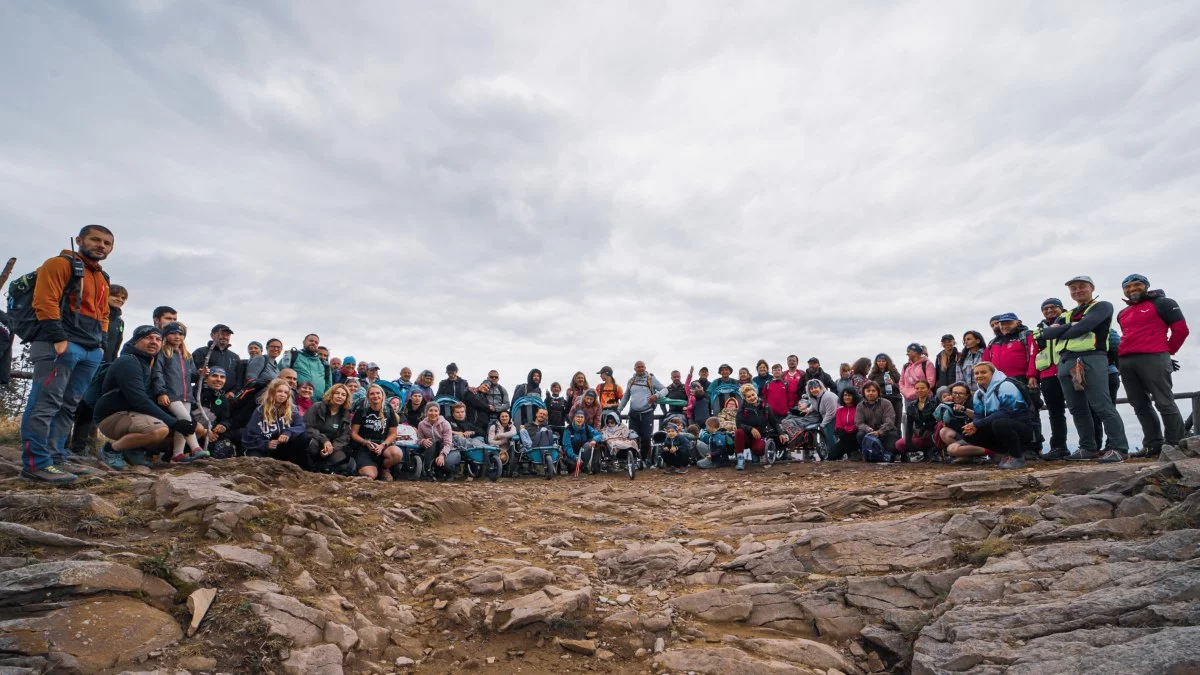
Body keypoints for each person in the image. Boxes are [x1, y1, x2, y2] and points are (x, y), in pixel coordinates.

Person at [19, 225, 114, 483]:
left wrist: (101, 344)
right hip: (58, 344)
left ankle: (56, 457)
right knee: (45, 403)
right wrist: (58, 338)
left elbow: (104, 314)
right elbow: (44, 300)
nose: (101, 246)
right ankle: (36, 463)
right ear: (80, 240)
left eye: (107, 243)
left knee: (68, 405)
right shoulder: (60, 264)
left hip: (89, 349)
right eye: (96, 239)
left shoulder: (102, 278)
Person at [1036, 275, 1128, 463]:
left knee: (1101, 404)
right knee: (1076, 407)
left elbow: (1085, 327)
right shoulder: (1067, 315)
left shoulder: (1102, 306)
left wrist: (1065, 329)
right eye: (1073, 288)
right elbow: (1047, 334)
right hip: (1065, 360)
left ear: (1092, 287)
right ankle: (1087, 447)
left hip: (1091, 357)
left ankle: (1119, 447)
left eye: (1082, 287)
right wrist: (1072, 326)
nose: (1077, 291)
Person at [93, 326, 185, 472]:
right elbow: (139, 399)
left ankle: (133, 449)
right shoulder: (128, 362)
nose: (154, 342)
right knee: (159, 430)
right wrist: (173, 422)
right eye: (148, 338)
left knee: (194, 429)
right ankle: (111, 449)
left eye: (158, 339)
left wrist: (183, 422)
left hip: (136, 415)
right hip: (112, 416)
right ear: (136, 341)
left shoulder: (149, 363)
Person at [1117, 274, 1190, 457]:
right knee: (1139, 404)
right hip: (1126, 360)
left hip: (1153, 356)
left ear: (1146, 286)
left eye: (1137, 285)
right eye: (1128, 287)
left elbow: (1181, 330)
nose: (1132, 289)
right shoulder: (1123, 313)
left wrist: (1167, 352)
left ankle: (1175, 443)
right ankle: (1153, 444)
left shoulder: (1163, 303)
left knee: (1164, 400)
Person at [68, 283, 127, 455]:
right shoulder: (96, 314)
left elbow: (116, 346)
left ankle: (80, 448)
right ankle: (61, 446)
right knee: (72, 404)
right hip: (84, 364)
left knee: (89, 407)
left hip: (103, 368)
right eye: (115, 295)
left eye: (123, 298)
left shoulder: (119, 322)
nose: (119, 299)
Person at [955, 363, 1036, 470]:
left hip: (1022, 429)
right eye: (976, 373)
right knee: (968, 434)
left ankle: (1016, 456)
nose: (979, 375)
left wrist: (977, 424)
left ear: (993, 373)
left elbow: (1006, 412)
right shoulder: (979, 394)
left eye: (983, 372)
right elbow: (978, 415)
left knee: (1000, 423)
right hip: (1000, 427)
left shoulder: (1005, 385)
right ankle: (1006, 454)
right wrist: (974, 426)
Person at [151, 322, 206, 463]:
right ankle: (196, 448)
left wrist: (200, 373)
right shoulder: (163, 352)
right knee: (187, 421)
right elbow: (157, 373)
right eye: (173, 333)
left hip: (186, 395)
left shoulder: (187, 355)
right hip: (171, 394)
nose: (177, 336)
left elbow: (192, 375)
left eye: (180, 334)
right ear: (166, 335)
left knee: (182, 423)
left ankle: (177, 455)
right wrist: (161, 392)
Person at [1033, 299, 1070, 459]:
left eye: (1053, 307)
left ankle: (1090, 444)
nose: (1049, 311)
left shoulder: (1071, 320)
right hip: (1047, 375)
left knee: (1083, 408)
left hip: (1069, 370)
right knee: (1055, 412)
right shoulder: (1038, 329)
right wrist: (1034, 376)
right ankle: (1058, 447)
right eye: (1045, 308)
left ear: (1061, 308)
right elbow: (1035, 354)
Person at [241, 378, 307, 462]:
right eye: (279, 391)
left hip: (282, 446)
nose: (282, 395)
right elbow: (249, 437)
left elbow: (301, 425)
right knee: (254, 459)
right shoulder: (260, 411)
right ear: (272, 392)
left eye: (286, 392)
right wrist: (266, 444)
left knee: (303, 437)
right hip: (264, 446)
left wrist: (289, 432)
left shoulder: (292, 410)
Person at [619, 361, 667, 465]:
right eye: (638, 367)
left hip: (647, 413)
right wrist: (619, 410)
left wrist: (656, 396)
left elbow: (665, 390)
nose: (640, 369)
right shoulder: (631, 381)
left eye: (642, 367)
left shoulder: (651, 379)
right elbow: (626, 396)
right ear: (635, 369)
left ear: (645, 368)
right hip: (634, 414)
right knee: (632, 438)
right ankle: (635, 460)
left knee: (646, 437)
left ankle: (644, 460)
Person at [349, 384, 401, 480]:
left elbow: (393, 433)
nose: (375, 396)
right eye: (372, 394)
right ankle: (364, 466)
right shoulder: (361, 410)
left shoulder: (389, 410)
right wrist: (365, 442)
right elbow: (353, 433)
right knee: (370, 476)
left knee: (397, 453)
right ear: (368, 397)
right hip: (365, 447)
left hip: (383, 446)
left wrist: (383, 445)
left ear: (382, 395)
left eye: (378, 393)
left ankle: (384, 469)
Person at [303, 383, 355, 475]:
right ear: (331, 394)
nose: (340, 397)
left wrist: (332, 448)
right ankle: (309, 467)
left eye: (343, 395)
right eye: (337, 393)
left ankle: (323, 468)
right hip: (316, 440)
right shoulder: (317, 407)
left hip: (333, 446)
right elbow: (307, 427)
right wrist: (324, 441)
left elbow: (345, 436)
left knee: (343, 459)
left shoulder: (345, 414)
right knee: (313, 444)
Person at [733, 384, 786, 470]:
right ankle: (740, 459)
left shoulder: (766, 407)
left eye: (753, 395)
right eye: (749, 396)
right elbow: (738, 424)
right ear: (745, 398)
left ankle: (755, 453)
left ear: (756, 394)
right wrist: (751, 429)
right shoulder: (742, 409)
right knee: (738, 432)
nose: (752, 398)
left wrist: (781, 433)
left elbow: (774, 422)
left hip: (759, 435)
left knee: (759, 449)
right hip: (746, 436)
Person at [983, 314, 1037, 388]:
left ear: (1018, 323)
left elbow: (1033, 356)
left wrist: (1032, 375)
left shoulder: (1026, 335)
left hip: (1022, 379)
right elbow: (986, 363)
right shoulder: (992, 342)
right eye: (1002, 324)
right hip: (998, 381)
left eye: (1008, 323)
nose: (1004, 326)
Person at [278, 334, 331, 399]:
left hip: (317, 404)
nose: (313, 343)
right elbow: (279, 375)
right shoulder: (292, 355)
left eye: (316, 342)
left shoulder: (324, 364)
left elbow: (329, 384)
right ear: (304, 342)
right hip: (294, 401)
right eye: (311, 340)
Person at [856, 381, 898, 462]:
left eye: (873, 391)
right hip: (869, 432)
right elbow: (859, 423)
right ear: (864, 392)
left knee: (889, 454)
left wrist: (879, 432)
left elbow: (889, 422)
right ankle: (866, 453)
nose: (871, 393)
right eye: (868, 391)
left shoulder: (886, 403)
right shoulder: (860, 406)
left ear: (878, 392)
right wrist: (869, 430)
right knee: (860, 434)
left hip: (886, 432)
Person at [192, 324, 241, 393]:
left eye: (228, 335)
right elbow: (190, 375)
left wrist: (233, 392)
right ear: (212, 335)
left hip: (227, 398)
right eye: (222, 334)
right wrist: (198, 374)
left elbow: (239, 378)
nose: (225, 337)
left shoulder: (234, 357)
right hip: (204, 395)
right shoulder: (200, 352)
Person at [897, 380, 937, 461]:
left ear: (928, 389)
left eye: (923, 388)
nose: (920, 390)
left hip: (933, 434)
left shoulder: (935, 403)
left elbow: (938, 421)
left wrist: (928, 428)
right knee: (899, 444)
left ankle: (932, 452)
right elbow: (909, 426)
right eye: (917, 388)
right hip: (919, 435)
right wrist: (909, 444)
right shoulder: (911, 406)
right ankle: (915, 453)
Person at [417, 402, 458, 480]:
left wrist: (442, 455)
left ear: (439, 412)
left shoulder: (445, 424)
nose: (433, 413)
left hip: (448, 449)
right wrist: (423, 441)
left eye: (436, 411)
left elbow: (448, 443)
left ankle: (452, 471)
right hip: (431, 449)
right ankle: (428, 470)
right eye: (430, 410)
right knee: (430, 442)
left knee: (446, 463)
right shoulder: (421, 424)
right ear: (426, 412)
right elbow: (418, 440)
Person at [868, 354, 904, 425]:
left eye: (883, 361)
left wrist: (893, 384)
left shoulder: (894, 372)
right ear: (876, 362)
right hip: (880, 401)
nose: (881, 363)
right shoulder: (873, 374)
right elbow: (869, 388)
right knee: (882, 423)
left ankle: (898, 436)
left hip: (895, 399)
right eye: (879, 361)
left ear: (887, 362)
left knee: (897, 422)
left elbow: (902, 386)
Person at [830, 388, 860, 461]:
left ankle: (854, 452)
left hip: (855, 437)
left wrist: (846, 429)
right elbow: (838, 426)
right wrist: (847, 429)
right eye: (845, 395)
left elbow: (858, 424)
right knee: (831, 456)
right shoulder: (839, 410)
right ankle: (852, 453)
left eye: (849, 395)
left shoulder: (859, 408)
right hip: (844, 437)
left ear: (854, 396)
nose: (847, 397)